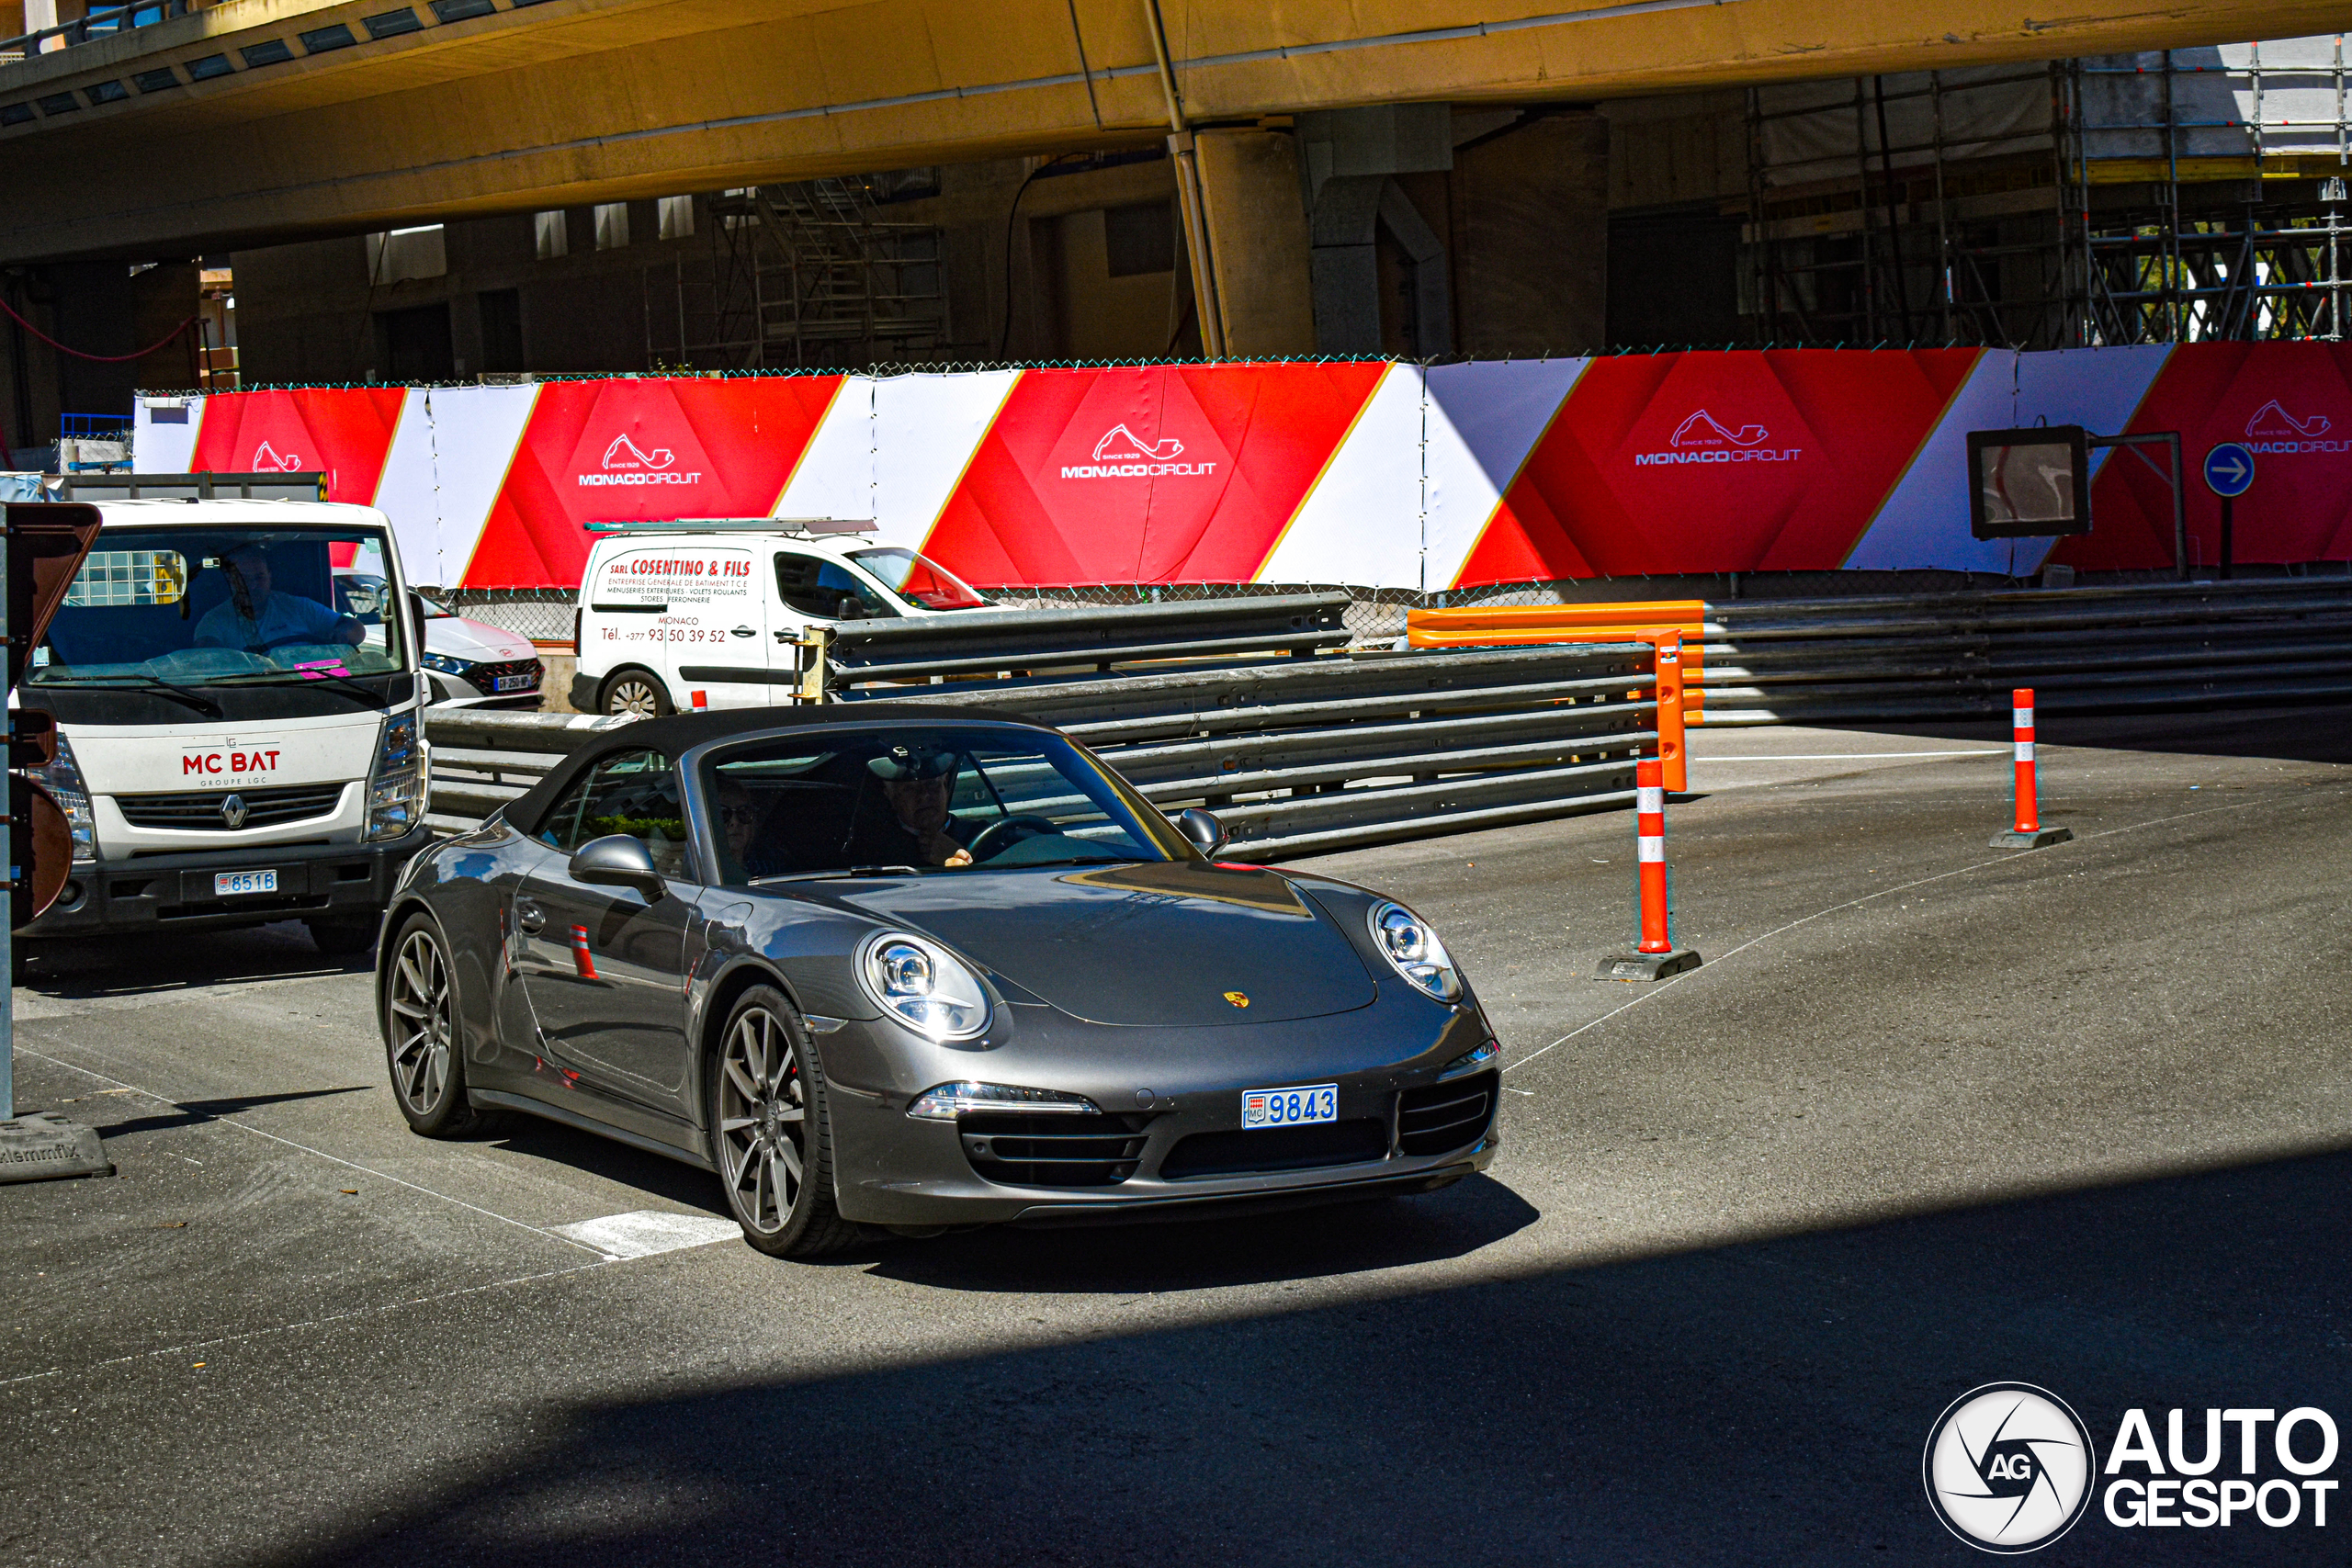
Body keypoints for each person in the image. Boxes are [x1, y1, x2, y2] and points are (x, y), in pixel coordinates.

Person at [195, 544, 364, 654]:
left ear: (270, 576)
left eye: (259, 577)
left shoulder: (298, 607)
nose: (253, 585)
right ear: (231, 581)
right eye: (244, 579)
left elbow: (356, 629)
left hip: (309, 687)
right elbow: (207, 660)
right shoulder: (214, 621)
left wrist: (343, 634)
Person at [865, 744, 974, 868]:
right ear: (891, 796)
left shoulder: (979, 836)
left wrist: (960, 858)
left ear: (945, 784)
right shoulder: (875, 851)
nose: (924, 795)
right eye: (910, 789)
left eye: (932, 784)